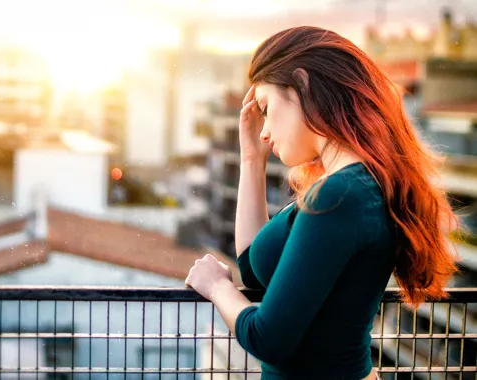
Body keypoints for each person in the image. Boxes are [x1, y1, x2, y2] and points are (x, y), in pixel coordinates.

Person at [185, 26, 460, 380]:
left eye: (266, 109)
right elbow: (253, 269)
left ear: (303, 86)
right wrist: (252, 159)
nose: (263, 129)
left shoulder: (340, 195)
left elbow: (268, 339)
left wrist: (217, 286)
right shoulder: (347, 185)